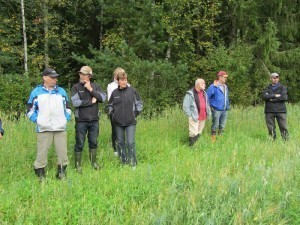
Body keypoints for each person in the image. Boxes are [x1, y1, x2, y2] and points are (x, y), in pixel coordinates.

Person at [27, 68, 72, 180]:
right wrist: (38, 121)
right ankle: (41, 175)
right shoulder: (36, 92)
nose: (55, 79)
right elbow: (30, 110)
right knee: (41, 153)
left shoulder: (61, 92)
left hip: (60, 128)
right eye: (52, 77)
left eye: (56, 77)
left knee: (62, 153)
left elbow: (68, 108)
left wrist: (65, 119)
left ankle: (61, 173)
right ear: (44, 78)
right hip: (43, 129)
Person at [71, 66, 106, 172]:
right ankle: (77, 165)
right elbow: (75, 103)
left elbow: (103, 98)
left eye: (84, 74)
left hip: (94, 120)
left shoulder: (96, 86)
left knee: (93, 142)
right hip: (81, 121)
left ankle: (94, 163)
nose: (81, 76)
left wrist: (91, 90)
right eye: (80, 74)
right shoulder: (75, 87)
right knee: (80, 143)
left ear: (89, 76)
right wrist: (91, 101)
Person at [108, 69, 143, 168]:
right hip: (118, 123)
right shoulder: (114, 93)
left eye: (125, 79)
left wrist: (135, 113)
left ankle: (133, 163)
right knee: (120, 143)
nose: (124, 81)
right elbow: (110, 106)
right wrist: (113, 115)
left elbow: (139, 104)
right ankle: (124, 162)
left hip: (130, 121)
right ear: (118, 81)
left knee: (130, 142)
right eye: (122, 80)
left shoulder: (132, 91)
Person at [183, 78, 211, 146]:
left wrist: (208, 113)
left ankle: (196, 145)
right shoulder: (190, 93)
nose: (205, 85)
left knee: (199, 131)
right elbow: (185, 106)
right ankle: (191, 147)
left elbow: (206, 104)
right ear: (198, 84)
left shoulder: (204, 93)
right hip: (194, 117)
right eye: (203, 83)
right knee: (193, 132)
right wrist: (191, 115)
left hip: (203, 116)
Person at [261, 72, 289, 141]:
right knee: (270, 127)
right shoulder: (267, 88)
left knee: (283, 127)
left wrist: (271, 98)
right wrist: (275, 95)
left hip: (281, 111)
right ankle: (272, 140)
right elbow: (264, 96)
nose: (275, 79)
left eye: (277, 78)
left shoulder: (282, 88)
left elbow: (284, 97)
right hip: (269, 111)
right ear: (270, 79)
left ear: (278, 79)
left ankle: (286, 141)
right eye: (274, 78)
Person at [107, 67, 126, 156]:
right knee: (115, 130)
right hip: (115, 111)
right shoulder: (111, 86)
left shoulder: (127, 85)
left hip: (125, 111)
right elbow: (110, 100)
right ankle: (115, 149)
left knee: (125, 129)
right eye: (117, 75)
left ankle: (123, 147)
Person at [206, 71, 230, 142]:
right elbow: (207, 97)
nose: (226, 79)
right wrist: (211, 107)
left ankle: (220, 140)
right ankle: (213, 140)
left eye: (226, 77)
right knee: (215, 125)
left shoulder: (225, 86)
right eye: (224, 77)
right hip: (216, 109)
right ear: (220, 77)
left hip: (225, 109)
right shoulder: (213, 86)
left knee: (222, 125)